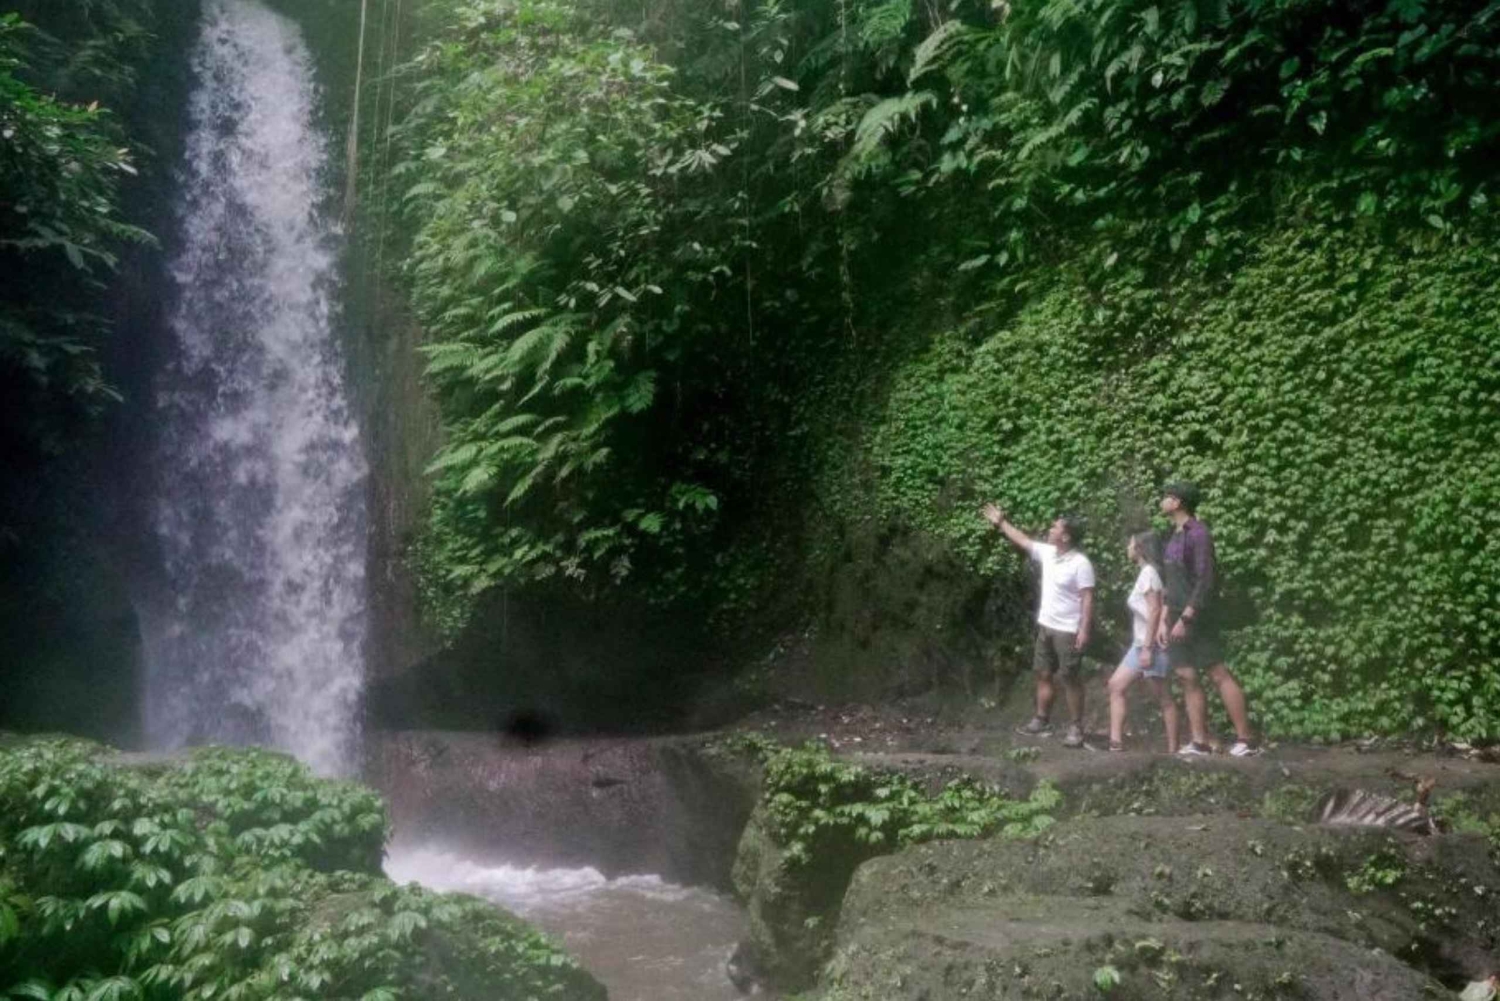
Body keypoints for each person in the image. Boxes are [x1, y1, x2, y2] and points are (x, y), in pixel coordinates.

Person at [1158, 481, 1261, 757]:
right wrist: (1164, 618)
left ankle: (1246, 740)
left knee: (1217, 672)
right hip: (1175, 615)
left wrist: (1187, 617)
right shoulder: (1173, 535)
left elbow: (1205, 580)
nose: (1162, 501)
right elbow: (1172, 583)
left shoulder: (1199, 533)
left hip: (1198, 616)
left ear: (1178, 502)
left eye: (1166, 496)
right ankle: (1199, 742)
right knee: (1186, 675)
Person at [981, 503, 1095, 748]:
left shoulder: (1080, 563)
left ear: (1065, 536)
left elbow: (1087, 598)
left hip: (1068, 629)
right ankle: (1041, 719)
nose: (1050, 529)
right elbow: (1023, 540)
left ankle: (1076, 727)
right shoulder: (1049, 553)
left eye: (1055, 527)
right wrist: (1001, 522)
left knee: (1070, 677)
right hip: (1046, 625)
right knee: (1043, 672)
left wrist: (1084, 629)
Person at [1106, 531, 1179, 753]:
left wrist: (1148, 648)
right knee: (1115, 685)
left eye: (1130, 544)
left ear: (1140, 548)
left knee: (1164, 697)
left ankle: (1173, 750)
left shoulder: (1148, 573)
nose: (1127, 548)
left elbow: (1155, 610)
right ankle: (1115, 742)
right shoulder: (1147, 573)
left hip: (1150, 645)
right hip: (1140, 644)